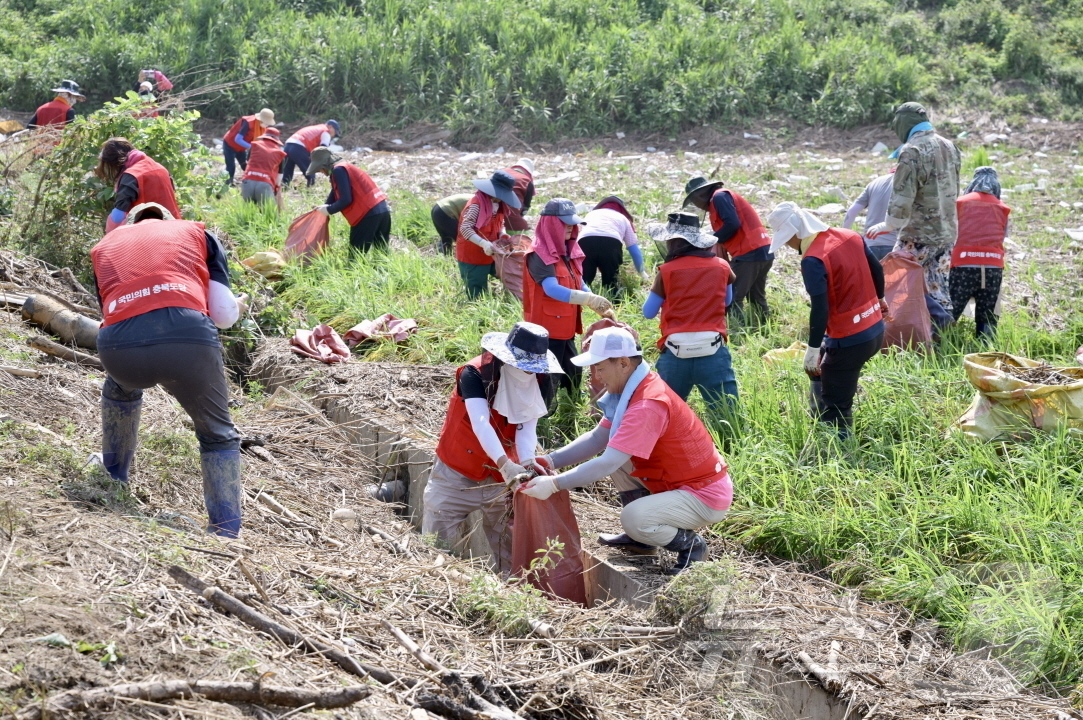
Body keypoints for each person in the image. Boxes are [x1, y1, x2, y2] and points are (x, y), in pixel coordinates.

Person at [89, 202, 248, 537]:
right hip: (186, 341)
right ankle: (226, 534)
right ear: (170, 221)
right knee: (218, 435)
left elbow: (114, 311)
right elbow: (223, 315)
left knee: (119, 387)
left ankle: (114, 475)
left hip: (119, 350)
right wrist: (240, 306)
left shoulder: (105, 246)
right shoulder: (196, 234)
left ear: (130, 225)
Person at [520, 327, 732, 574]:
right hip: (678, 481)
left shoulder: (647, 404)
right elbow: (598, 437)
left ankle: (691, 547)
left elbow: (607, 462)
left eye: (599, 368)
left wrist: (555, 484)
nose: (595, 377)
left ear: (622, 363)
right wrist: (549, 461)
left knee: (633, 518)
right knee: (620, 455)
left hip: (702, 495)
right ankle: (642, 540)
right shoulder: (632, 388)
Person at [425, 322, 559, 573]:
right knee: (436, 546)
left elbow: (526, 426)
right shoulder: (475, 373)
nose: (526, 372)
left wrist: (527, 463)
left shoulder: (539, 379)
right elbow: (480, 422)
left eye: (531, 368)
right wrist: (504, 463)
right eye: (521, 366)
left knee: (510, 549)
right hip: (457, 471)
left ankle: (511, 592)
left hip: (500, 480)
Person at [767, 202, 888, 438]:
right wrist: (880, 298)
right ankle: (819, 418)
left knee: (836, 404)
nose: (790, 246)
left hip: (849, 340)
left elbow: (820, 307)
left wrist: (811, 349)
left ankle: (841, 453)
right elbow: (877, 269)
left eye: (787, 239)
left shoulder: (813, 259)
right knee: (826, 373)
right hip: (874, 328)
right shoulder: (850, 235)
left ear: (795, 232)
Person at [867, 102, 961, 329]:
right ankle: (940, 333)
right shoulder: (950, 146)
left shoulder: (912, 150)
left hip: (918, 233)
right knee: (936, 282)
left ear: (902, 124)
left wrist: (888, 224)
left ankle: (904, 329)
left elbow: (902, 195)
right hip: (947, 231)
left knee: (900, 278)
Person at [643, 212, 738, 413]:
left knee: (665, 415)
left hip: (675, 351)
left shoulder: (667, 271)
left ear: (673, 242)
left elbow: (648, 312)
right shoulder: (722, 266)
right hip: (713, 349)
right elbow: (727, 300)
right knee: (727, 416)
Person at [523, 198, 614, 394]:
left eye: (573, 223)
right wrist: (587, 299)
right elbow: (552, 289)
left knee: (573, 370)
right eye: (565, 223)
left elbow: (578, 280)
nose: (571, 227)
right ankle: (544, 415)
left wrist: (593, 299)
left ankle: (572, 403)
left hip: (567, 325)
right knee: (548, 375)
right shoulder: (539, 254)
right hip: (546, 329)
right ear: (551, 224)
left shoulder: (569, 249)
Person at [683, 177, 773, 324]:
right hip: (763, 249)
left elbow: (732, 223)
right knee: (755, 295)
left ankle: (737, 332)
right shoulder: (721, 197)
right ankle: (764, 325)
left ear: (700, 195)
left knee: (732, 296)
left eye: (694, 201)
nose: (697, 206)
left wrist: (712, 240)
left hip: (749, 252)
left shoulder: (719, 197)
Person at [949, 167, 1010, 338]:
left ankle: (940, 344)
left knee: (952, 308)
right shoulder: (1003, 208)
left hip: (963, 264)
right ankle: (985, 348)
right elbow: (1003, 236)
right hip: (993, 267)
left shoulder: (960, 203)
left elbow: (951, 232)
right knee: (988, 313)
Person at [307, 147, 391, 253]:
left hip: (367, 214)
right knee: (381, 253)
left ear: (324, 164)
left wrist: (329, 210)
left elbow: (346, 199)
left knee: (356, 257)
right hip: (383, 210)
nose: (319, 171)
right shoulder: (343, 167)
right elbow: (336, 191)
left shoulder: (338, 170)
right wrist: (325, 207)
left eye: (318, 168)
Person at [456, 170, 520, 298]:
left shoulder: (498, 205)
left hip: (491, 252)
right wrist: (483, 243)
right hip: (472, 254)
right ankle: (476, 311)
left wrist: (502, 234)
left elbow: (500, 223)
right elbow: (465, 228)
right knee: (476, 288)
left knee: (504, 274)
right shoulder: (476, 205)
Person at [96, 137, 181, 232]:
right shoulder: (160, 168)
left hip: (149, 232)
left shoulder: (131, 175)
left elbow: (117, 217)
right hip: (174, 227)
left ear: (114, 163)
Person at [579, 195, 647, 295]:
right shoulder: (623, 218)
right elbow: (634, 249)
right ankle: (613, 303)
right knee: (611, 281)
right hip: (611, 243)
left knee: (584, 278)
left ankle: (580, 302)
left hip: (585, 241)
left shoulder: (591, 214)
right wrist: (642, 272)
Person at [842, 170, 897, 262]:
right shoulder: (910, 185)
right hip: (895, 246)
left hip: (870, 245)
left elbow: (852, 211)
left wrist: (844, 239)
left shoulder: (875, 182)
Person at [221, 108, 275, 184]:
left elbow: (262, 141)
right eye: (266, 123)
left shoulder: (261, 127)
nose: (267, 125)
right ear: (261, 120)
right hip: (230, 144)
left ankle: (251, 181)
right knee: (231, 166)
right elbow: (238, 139)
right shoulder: (248, 122)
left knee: (246, 165)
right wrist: (252, 146)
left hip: (242, 148)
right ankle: (228, 184)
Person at [282, 120, 340, 188]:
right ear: (330, 127)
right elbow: (323, 149)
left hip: (287, 145)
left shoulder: (316, 128)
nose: (333, 135)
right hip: (299, 147)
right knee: (310, 172)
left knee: (287, 171)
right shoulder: (326, 132)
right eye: (335, 132)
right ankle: (310, 189)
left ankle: (284, 188)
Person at [240, 127, 286, 209]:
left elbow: (248, 164)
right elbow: (279, 179)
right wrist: (275, 191)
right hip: (264, 184)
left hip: (247, 182)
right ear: (277, 140)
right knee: (269, 215)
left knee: (248, 213)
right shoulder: (280, 153)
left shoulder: (254, 146)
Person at [502, 158, 536, 235]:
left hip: (489, 221)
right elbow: (526, 206)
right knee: (524, 242)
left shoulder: (501, 173)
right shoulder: (527, 181)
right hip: (513, 225)